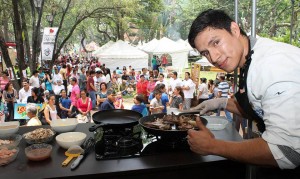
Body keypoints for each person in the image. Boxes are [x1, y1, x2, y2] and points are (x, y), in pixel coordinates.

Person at [187, 9, 300, 169]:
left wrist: (212, 146)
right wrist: (221, 103)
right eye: (205, 52)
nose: (213, 57)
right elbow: (260, 108)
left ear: (234, 29)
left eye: (216, 42)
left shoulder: (273, 66)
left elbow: (288, 152)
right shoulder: (249, 58)